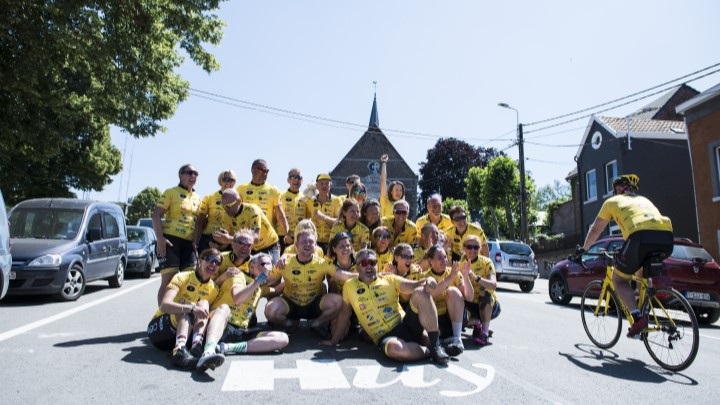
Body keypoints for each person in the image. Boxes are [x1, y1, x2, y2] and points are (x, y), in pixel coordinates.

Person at [320, 249, 450, 365]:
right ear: (357, 268)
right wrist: (334, 340)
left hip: (404, 324)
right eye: (364, 263)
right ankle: (431, 351)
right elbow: (344, 314)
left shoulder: (389, 279)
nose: (369, 266)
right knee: (395, 349)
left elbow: (413, 285)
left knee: (420, 292)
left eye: (372, 262)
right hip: (385, 336)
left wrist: (428, 280)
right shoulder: (349, 286)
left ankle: (436, 347)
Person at [581, 174, 673, 338]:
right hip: (666, 237)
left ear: (618, 189)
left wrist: (583, 249)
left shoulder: (612, 202)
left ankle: (637, 318)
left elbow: (595, 230)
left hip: (640, 236)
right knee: (641, 273)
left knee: (619, 280)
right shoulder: (644, 200)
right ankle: (645, 310)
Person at [264, 230, 356, 340]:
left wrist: (364, 275)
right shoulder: (285, 263)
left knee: (338, 301)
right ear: (296, 245)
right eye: (304, 242)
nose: (307, 244)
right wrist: (254, 277)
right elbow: (268, 280)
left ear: (315, 245)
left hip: (314, 303)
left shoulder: (321, 263)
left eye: (311, 242)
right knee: (270, 310)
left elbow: (342, 275)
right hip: (291, 303)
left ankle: (316, 324)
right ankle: (290, 323)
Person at [147, 248, 220, 370]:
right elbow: (164, 305)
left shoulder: (213, 288)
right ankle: (179, 351)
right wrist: (190, 308)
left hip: (186, 332)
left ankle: (196, 346)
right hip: (161, 329)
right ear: (200, 260)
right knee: (187, 308)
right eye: (210, 259)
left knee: (204, 304)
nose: (213, 264)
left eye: (217, 263)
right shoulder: (182, 277)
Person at [211, 253, 290, 355]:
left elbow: (277, 290)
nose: (267, 269)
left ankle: (227, 347)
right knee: (223, 310)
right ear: (252, 267)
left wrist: (290, 278)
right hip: (224, 324)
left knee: (282, 338)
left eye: (270, 266)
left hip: (242, 330)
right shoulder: (238, 276)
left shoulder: (261, 288)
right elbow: (238, 299)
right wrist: (259, 279)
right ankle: (209, 349)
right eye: (264, 264)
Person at [153, 164, 202, 305]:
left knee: (189, 279)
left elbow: (199, 223)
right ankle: (162, 313)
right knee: (169, 280)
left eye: (196, 173)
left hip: (189, 243)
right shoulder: (171, 192)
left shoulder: (198, 197)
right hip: (171, 241)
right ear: (180, 175)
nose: (193, 176)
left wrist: (196, 242)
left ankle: (182, 311)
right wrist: (160, 238)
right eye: (189, 172)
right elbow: (156, 215)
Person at [417, 245, 474, 357]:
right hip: (435, 320)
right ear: (430, 260)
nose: (444, 260)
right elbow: (432, 294)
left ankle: (457, 339)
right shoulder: (425, 276)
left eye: (445, 257)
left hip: (453, 318)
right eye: (439, 258)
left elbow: (469, 297)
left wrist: (466, 277)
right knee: (426, 339)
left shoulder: (454, 272)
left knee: (453, 291)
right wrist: (450, 277)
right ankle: (443, 344)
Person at [213, 189, 281, 265]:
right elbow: (226, 240)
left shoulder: (252, 210)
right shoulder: (226, 216)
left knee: (272, 271)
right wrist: (218, 244)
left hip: (269, 245)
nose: (226, 209)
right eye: (223, 206)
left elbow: (255, 239)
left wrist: (229, 239)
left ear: (239, 201)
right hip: (250, 248)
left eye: (229, 205)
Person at [236, 159, 291, 251]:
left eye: (267, 171)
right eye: (261, 170)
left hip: (267, 240)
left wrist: (287, 233)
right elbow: (235, 213)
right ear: (252, 170)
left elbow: (280, 215)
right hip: (247, 239)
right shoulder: (241, 189)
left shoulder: (273, 190)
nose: (264, 173)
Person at [459, 235, 498, 346]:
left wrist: (476, 277)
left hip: (487, 303)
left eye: (476, 247)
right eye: (469, 247)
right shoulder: (460, 264)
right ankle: (476, 323)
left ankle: (484, 333)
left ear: (480, 249)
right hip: (469, 302)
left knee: (484, 292)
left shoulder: (486, 262)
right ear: (464, 248)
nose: (472, 250)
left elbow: (493, 285)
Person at [193, 169, 237, 252]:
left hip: (227, 240)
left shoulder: (238, 199)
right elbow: (200, 221)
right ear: (220, 180)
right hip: (208, 238)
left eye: (231, 180)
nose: (228, 182)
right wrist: (195, 242)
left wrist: (226, 244)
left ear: (234, 182)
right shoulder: (210, 197)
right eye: (225, 179)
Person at [304, 173, 341, 253]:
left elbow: (339, 222)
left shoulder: (336, 200)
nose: (324, 186)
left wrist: (323, 217)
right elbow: (305, 221)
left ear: (330, 185)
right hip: (314, 242)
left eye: (327, 183)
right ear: (317, 186)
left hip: (331, 242)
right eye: (321, 183)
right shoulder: (310, 201)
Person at [279, 168, 307, 253]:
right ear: (288, 180)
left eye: (299, 177)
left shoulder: (305, 198)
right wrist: (286, 234)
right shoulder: (280, 195)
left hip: (299, 237)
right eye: (293, 177)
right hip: (283, 236)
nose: (296, 180)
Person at [379, 154, 406, 219]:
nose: (399, 192)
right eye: (396, 190)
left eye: (400, 190)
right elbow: (383, 181)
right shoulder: (385, 201)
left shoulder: (403, 204)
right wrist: (384, 163)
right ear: (391, 192)